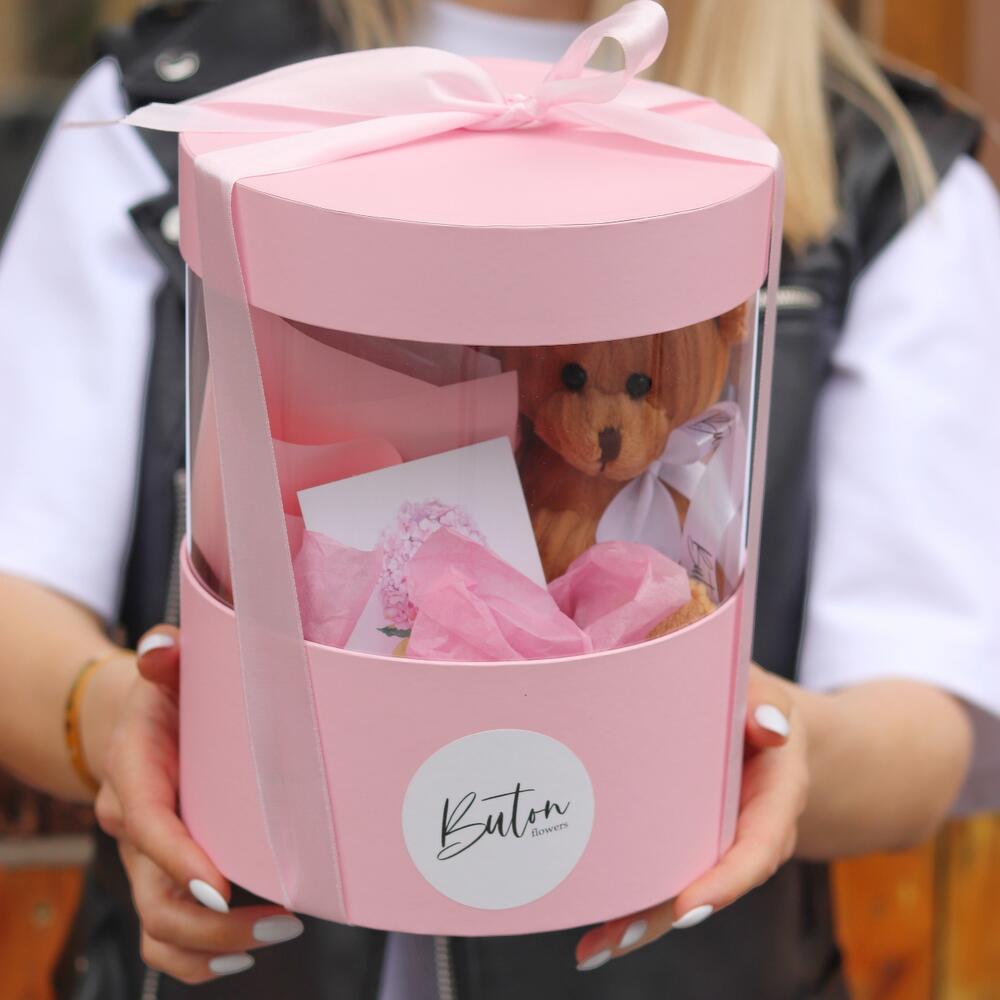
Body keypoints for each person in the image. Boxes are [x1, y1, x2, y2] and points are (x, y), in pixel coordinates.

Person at [0, 0, 997, 997]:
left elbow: (925, 711)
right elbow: (18, 592)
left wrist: (748, 732)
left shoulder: (885, 170)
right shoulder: (186, 103)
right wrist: (122, 717)